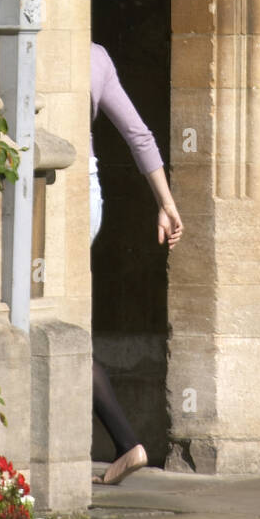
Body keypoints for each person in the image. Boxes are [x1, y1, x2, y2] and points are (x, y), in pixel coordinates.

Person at [89, 42, 183, 485]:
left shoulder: (34, 45)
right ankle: (126, 444)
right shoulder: (97, 56)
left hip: (50, 186)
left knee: (41, 323)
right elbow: (138, 133)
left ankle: (125, 441)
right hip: (89, 193)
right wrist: (165, 203)